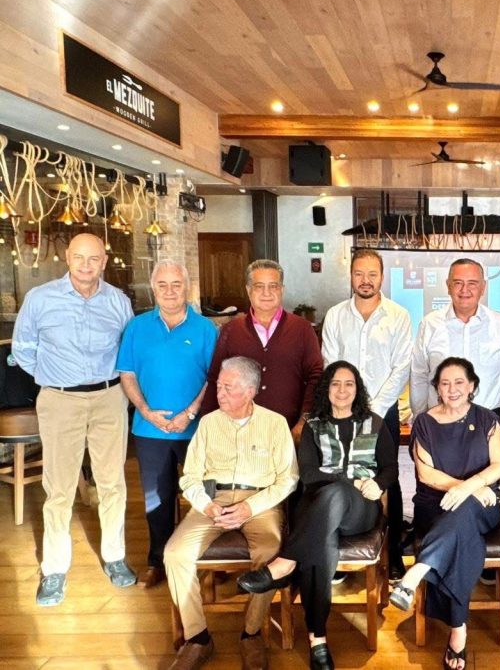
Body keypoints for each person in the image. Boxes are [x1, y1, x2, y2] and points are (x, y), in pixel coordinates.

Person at [236, 360, 398, 670]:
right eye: (335, 383)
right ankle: (317, 640)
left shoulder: (374, 423)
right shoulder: (313, 424)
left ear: (357, 389)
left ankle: (285, 562)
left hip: (360, 510)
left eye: (349, 384)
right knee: (321, 545)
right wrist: (348, 480)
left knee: (335, 495)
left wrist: (377, 484)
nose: (342, 390)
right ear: (326, 389)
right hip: (318, 510)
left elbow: (390, 468)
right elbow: (308, 474)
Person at [12, 232, 135, 606]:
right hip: (60, 399)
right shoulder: (40, 299)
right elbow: (23, 349)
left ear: (104, 261)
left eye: (94, 258)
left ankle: (114, 556)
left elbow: (128, 349)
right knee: (60, 487)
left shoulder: (118, 301)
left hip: (109, 397)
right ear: (67, 257)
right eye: (79, 257)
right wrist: (52, 379)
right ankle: (54, 569)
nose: (86, 265)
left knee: (112, 482)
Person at [163, 357, 299, 670]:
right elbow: (190, 477)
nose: (220, 393)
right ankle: (198, 638)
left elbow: (288, 479)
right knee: (175, 553)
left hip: (260, 501)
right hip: (214, 499)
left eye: (229, 387)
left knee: (270, 551)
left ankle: (251, 633)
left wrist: (250, 507)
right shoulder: (208, 423)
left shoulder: (275, 423)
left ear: (251, 390)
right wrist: (207, 505)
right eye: (219, 386)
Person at [388, 357, 500, 670]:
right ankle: (458, 629)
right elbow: (426, 474)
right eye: (445, 383)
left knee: (464, 513)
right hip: (436, 505)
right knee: (461, 536)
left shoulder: (487, 419)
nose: (452, 389)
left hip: (482, 506)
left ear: (471, 386)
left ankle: (419, 570)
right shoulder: (424, 423)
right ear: (437, 388)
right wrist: (467, 487)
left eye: (459, 382)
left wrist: (471, 488)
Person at [116, 259, 218, 589]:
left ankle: (206, 559)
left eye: (176, 284)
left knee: (205, 495)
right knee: (156, 500)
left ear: (187, 287)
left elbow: (214, 378)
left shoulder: (205, 329)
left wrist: (190, 412)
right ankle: (158, 560)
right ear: (153, 288)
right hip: (150, 429)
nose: (170, 291)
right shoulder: (137, 327)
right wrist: (146, 411)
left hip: (197, 429)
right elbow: (127, 374)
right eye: (163, 285)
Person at [320, 248, 412, 576]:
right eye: (359, 274)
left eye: (372, 274)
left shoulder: (398, 315)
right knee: (342, 475)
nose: (365, 280)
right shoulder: (335, 315)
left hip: (383, 412)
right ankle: (344, 552)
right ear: (351, 276)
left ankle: (394, 553)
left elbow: (402, 366)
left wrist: (372, 411)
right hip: (341, 411)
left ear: (382, 277)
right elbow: (330, 363)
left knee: (388, 479)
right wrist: (346, 406)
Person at [200, 259, 323, 431]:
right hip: (237, 429)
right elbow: (215, 378)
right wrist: (208, 425)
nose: (267, 293)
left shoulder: (302, 329)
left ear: (282, 290)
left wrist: (304, 421)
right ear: (248, 290)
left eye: (273, 286)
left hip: (288, 429)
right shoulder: (231, 330)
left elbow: (315, 376)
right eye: (259, 286)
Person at [411, 257, 500, 416]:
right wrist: (420, 418)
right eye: (458, 283)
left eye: (472, 283)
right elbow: (419, 375)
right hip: (440, 419)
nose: (464, 290)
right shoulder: (429, 324)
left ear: (483, 288)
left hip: (489, 419)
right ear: (448, 286)